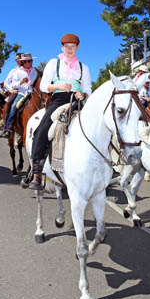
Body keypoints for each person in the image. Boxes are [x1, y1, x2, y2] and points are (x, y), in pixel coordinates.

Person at [28, 33, 92, 190]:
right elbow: (44, 86)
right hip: (58, 100)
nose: (70, 49)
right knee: (41, 130)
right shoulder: (53, 63)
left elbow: (88, 89)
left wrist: (82, 95)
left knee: (98, 127)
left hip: (78, 101)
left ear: (77, 48)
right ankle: (36, 172)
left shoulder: (84, 67)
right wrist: (58, 86)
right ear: (62, 47)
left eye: (73, 46)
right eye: (67, 46)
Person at [0, 53, 38, 138]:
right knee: (14, 106)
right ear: (24, 62)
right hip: (23, 93)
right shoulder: (18, 72)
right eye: (28, 61)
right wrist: (21, 82)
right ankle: (8, 128)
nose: (31, 62)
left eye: (31, 60)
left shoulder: (35, 71)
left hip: (33, 92)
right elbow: (13, 85)